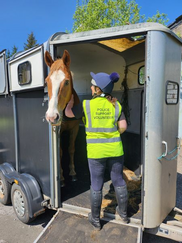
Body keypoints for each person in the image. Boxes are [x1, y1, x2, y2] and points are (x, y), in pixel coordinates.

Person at [65, 71, 129, 230]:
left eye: (93, 86)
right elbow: (123, 127)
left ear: (98, 89)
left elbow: (68, 114)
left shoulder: (86, 105)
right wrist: (111, 134)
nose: (91, 87)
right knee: (119, 181)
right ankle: (124, 215)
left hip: (95, 154)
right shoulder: (116, 104)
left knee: (96, 185)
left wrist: (69, 103)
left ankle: (95, 220)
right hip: (115, 151)